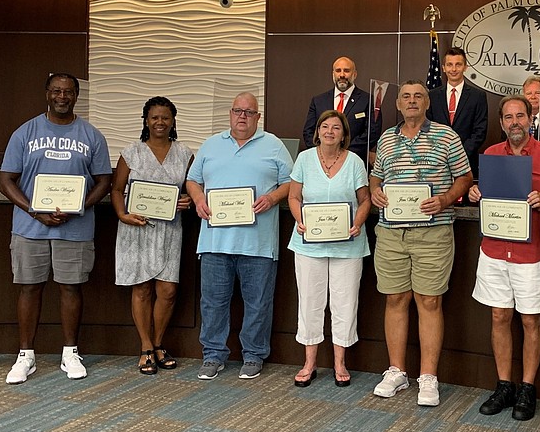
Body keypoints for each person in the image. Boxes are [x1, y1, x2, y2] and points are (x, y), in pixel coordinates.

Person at [0, 73, 112, 384]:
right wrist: (34, 210)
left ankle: (70, 352)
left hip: (74, 226)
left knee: (70, 287)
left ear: (76, 96)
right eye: (57, 91)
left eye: (69, 92)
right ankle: (26, 356)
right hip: (29, 227)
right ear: (47, 94)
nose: (62, 96)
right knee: (29, 287)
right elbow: (6, 179)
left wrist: (80, 206)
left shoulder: (92, 135)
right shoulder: (25, 132)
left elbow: (104, 180)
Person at [370, 80, 473, 406]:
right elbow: (377, 175)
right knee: (395, 299)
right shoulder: (386, 138)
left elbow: (465, 178)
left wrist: (444, 200)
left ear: (427, 103)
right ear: (398, 105)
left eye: (418, 96)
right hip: (391, 233)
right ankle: (397, 371)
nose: (411, 101)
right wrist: (375, 190)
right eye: (405, 97)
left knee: (429, 302)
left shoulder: (446, 136)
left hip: (433, 232)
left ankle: (428, 378)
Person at [468, 96, 540, 421]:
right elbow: (485, 196)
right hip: (494, 251)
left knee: (530, 320)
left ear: (530, 118)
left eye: (520, 116)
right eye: (508, 117)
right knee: (499, 317)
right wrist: (475, 193)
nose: (514, 122)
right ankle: (504, 384)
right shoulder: (492, 155)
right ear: (502, 122)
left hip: (532, 254)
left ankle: (527, 387)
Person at [186, 93, 292, 381]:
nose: (242, 116)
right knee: (212, 302)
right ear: (230, 114)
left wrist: (271, 198)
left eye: (249, 112)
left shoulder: (274, 145)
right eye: (237, 111)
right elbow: (192, 180)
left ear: (258, 117)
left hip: (258, 243)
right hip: (214, 241)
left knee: (258, 302)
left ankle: (254, 354)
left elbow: (291, 184)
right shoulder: (211, 144)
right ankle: (213, 355)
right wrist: (197, 199)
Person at [287, 109, 371, 387]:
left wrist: (357, 223)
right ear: (318, 131)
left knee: (344, 304)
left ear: (344, 134)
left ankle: (339, 362)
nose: (330, 131)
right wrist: (300, 220)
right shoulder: (304, 159)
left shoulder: (355, 162)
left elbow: (365, 200)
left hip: (347, 245)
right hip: (308, 243)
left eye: (336, 127)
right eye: (325, 126)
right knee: (310, 302)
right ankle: (309, 362)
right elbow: (294, 196)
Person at [112, 97, 194, 375]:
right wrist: (123, 214)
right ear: (146, 120)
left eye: (165, 118)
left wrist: (188, 201)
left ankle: (159, 344)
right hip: (137, 228)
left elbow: (192, 190)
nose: (160, 123)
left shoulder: (184, 154)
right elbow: (116, 189)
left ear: (173, 121)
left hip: (170, 230)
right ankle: (146, 347)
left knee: (168, 290)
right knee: (142, 288)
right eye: (154, 117)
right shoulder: (132, 152)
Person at [301, 56, 379, 165]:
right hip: (321, 162)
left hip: (354, 161)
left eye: (346, 71)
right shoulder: (318, 101)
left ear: (354, 74)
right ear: (333, 74)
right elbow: (308, 132)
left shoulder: (369, 100)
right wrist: (323, 154)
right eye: (338, 71)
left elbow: (372, 133)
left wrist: (344, 154)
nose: (342, 75)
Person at [427, 47, 488, 177]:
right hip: (437, 163)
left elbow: (480, 131)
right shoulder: (432, 96)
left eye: (458, 64)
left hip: (467, 163)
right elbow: (428, 128)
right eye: (449, 65)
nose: (453, 69)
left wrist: (458, 154)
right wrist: (442, 154)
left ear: (465, 67)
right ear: (443, 67)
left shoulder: (478, 96)